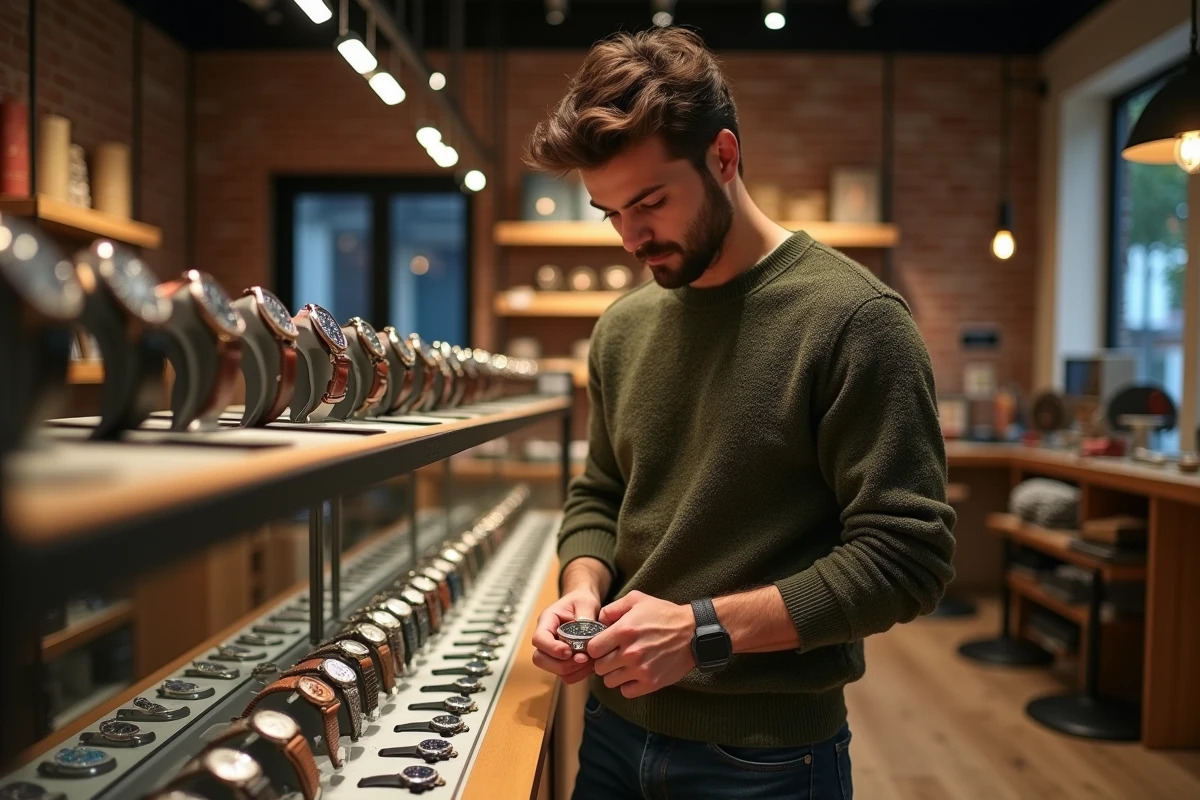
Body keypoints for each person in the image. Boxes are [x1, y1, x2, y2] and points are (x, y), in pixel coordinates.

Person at [524, 26, 955, 800]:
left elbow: (907, 559)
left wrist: (701, 630)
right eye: (609, 212)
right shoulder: (622, 328)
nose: (630, 237)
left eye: (650, 202)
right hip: (613, 733)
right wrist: (581, 586)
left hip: (766, 761)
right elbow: (601, 493)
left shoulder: (855, 320)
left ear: (724, 158)